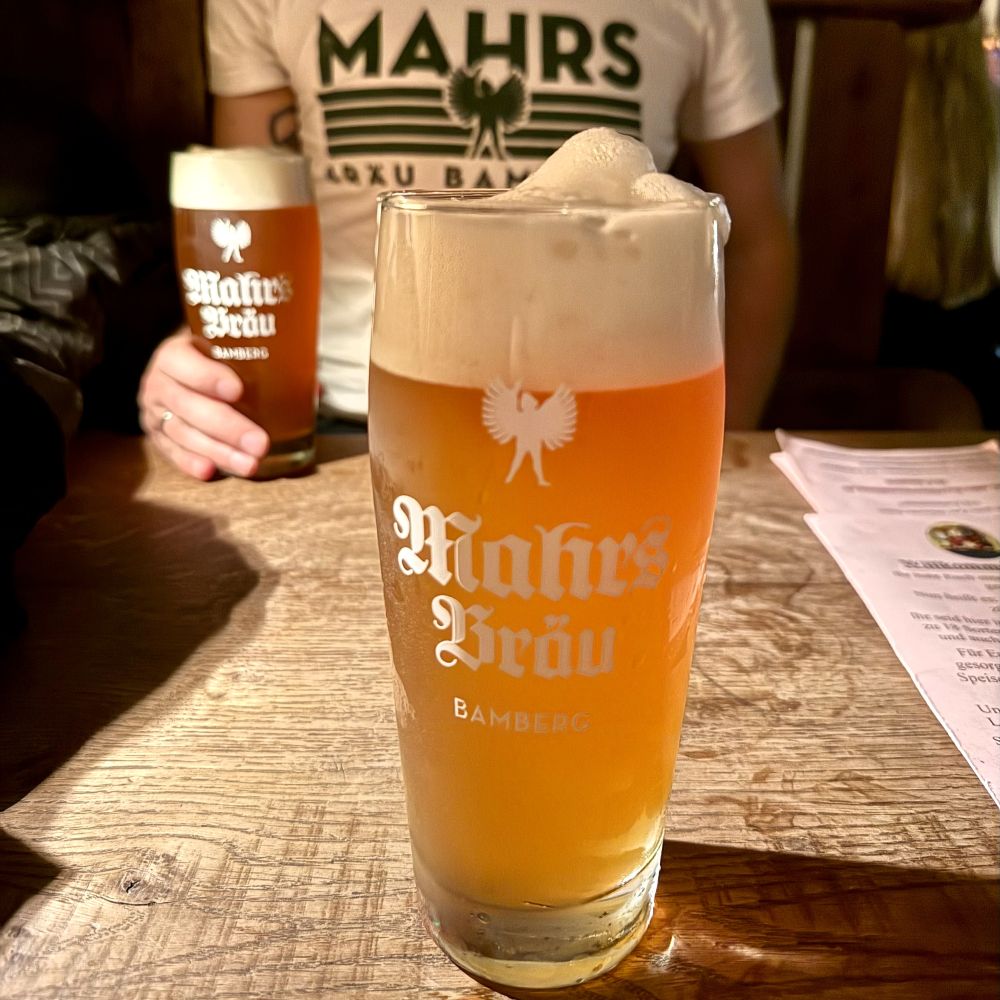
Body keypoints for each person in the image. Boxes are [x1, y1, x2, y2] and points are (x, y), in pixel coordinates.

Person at [139, 0, 795, 480]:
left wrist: (714, 445)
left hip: (608, 412)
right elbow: (248, 233)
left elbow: (753, 238)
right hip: (333, 426)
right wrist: (209, 367)